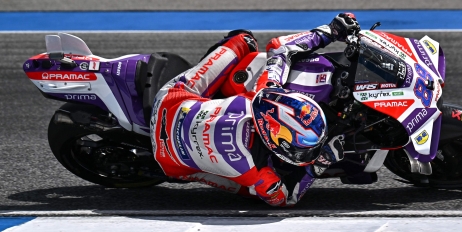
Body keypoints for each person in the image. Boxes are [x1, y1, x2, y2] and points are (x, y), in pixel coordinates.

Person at [150, 13, 360, 207]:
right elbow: (285, 198)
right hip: (172, 163)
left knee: (243, 40)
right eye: (303, 148)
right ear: (277, 144)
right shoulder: (257, 171)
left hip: (170, 104)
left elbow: (279, 47)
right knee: (250, 190)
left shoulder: (262, 94)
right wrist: (318, 165)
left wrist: (331, 31)